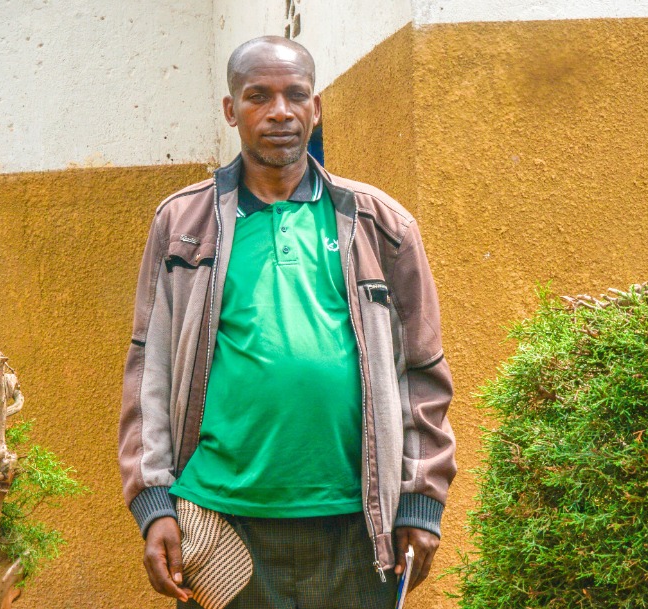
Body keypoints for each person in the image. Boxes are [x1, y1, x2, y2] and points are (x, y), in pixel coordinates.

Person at [119, 35, 456, 609]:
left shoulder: (379, 223)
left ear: (315, 106)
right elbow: (149, 373)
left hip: (358, 523)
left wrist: (421, 502)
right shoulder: (183, 223)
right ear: (231, 110)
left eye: (295, 95)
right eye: (258, 96)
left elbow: (422, 372)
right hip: (220, 522)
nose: (279, 112)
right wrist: (154, 505)